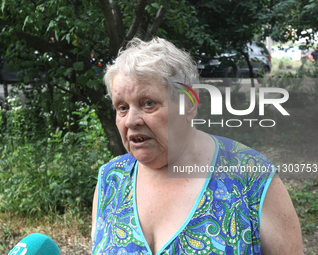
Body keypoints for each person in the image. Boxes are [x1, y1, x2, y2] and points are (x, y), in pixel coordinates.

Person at [91, 38, 303, 254]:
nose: (131, 121)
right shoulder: (110, 180)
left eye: (148, 103)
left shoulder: (251, 177)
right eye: (122, 107)